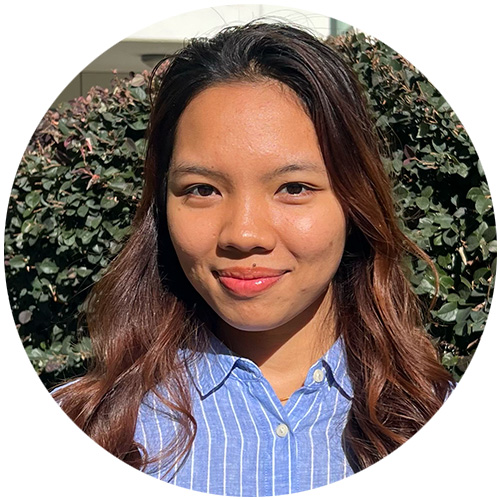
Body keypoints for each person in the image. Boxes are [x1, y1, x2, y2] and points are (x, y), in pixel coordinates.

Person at [53, 22, 453, 496]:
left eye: (294, 188)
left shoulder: (439, 419)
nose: (244, 235)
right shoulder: (82, 429)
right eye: (203, 189)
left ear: (354, 202)